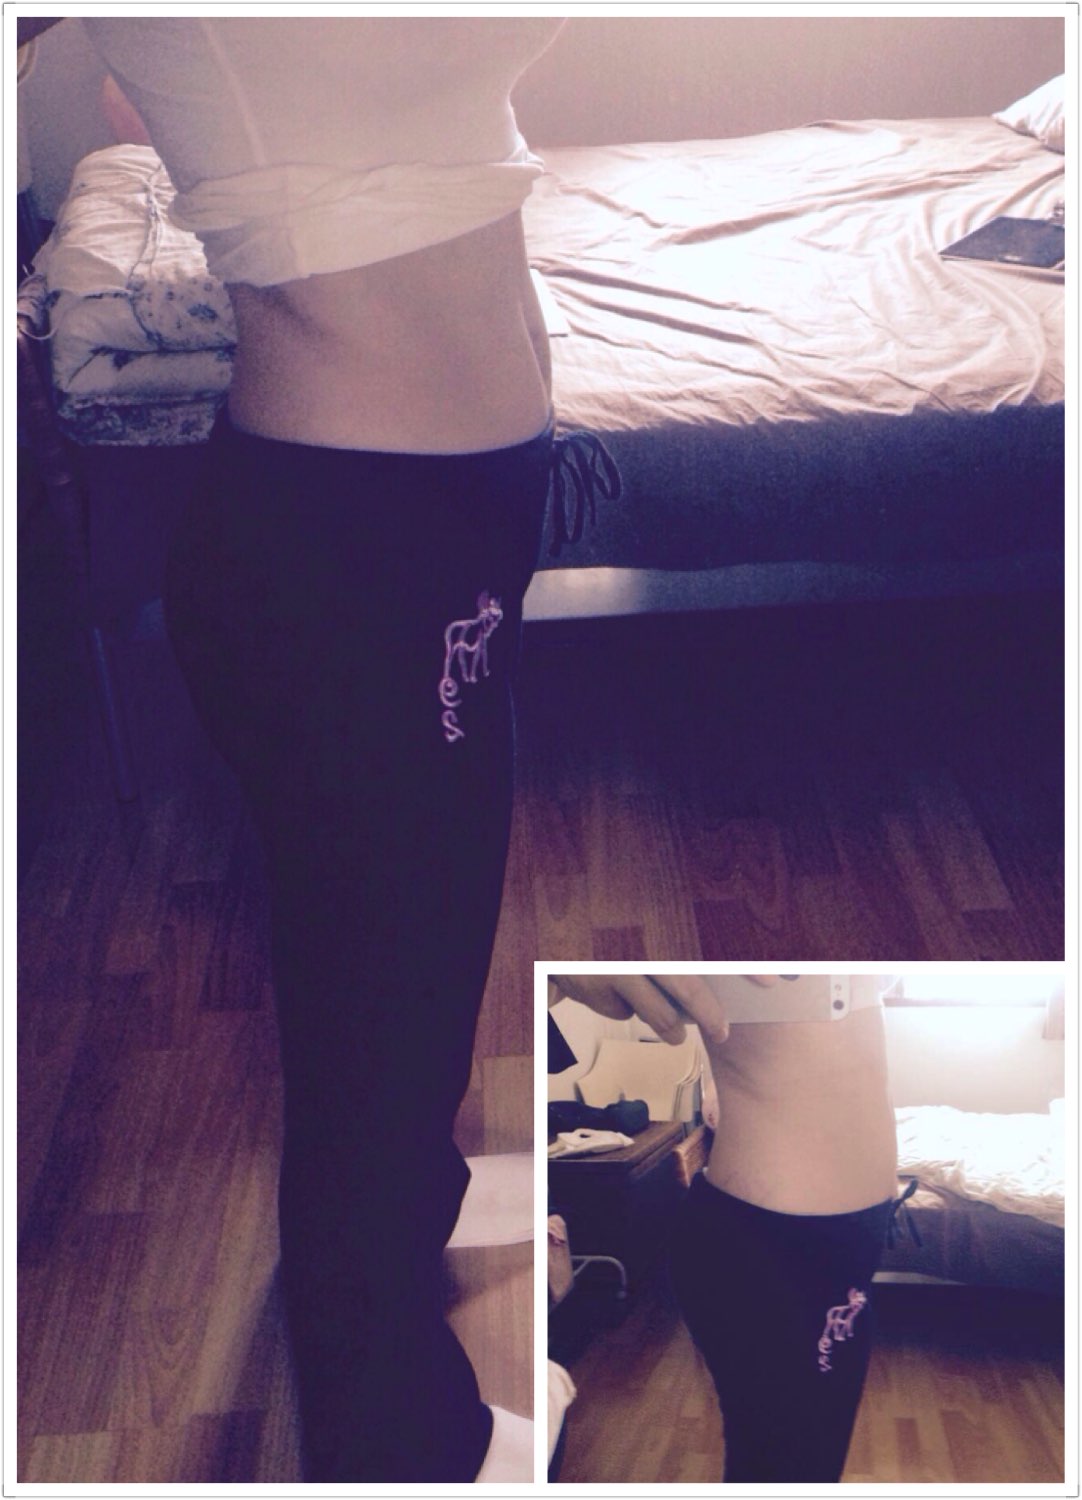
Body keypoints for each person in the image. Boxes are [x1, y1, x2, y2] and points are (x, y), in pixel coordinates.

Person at [23, 15, 615, 1484]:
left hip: (440, 546)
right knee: (385, 1021)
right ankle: (394, 1444)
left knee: (401, 995)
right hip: (352, 560)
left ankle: (381, 1260)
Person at [549, 974, 901, 1483]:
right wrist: (562, 967)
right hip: (771, 1251)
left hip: (846, 1251)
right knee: (784, 1473)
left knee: (811, 1469)